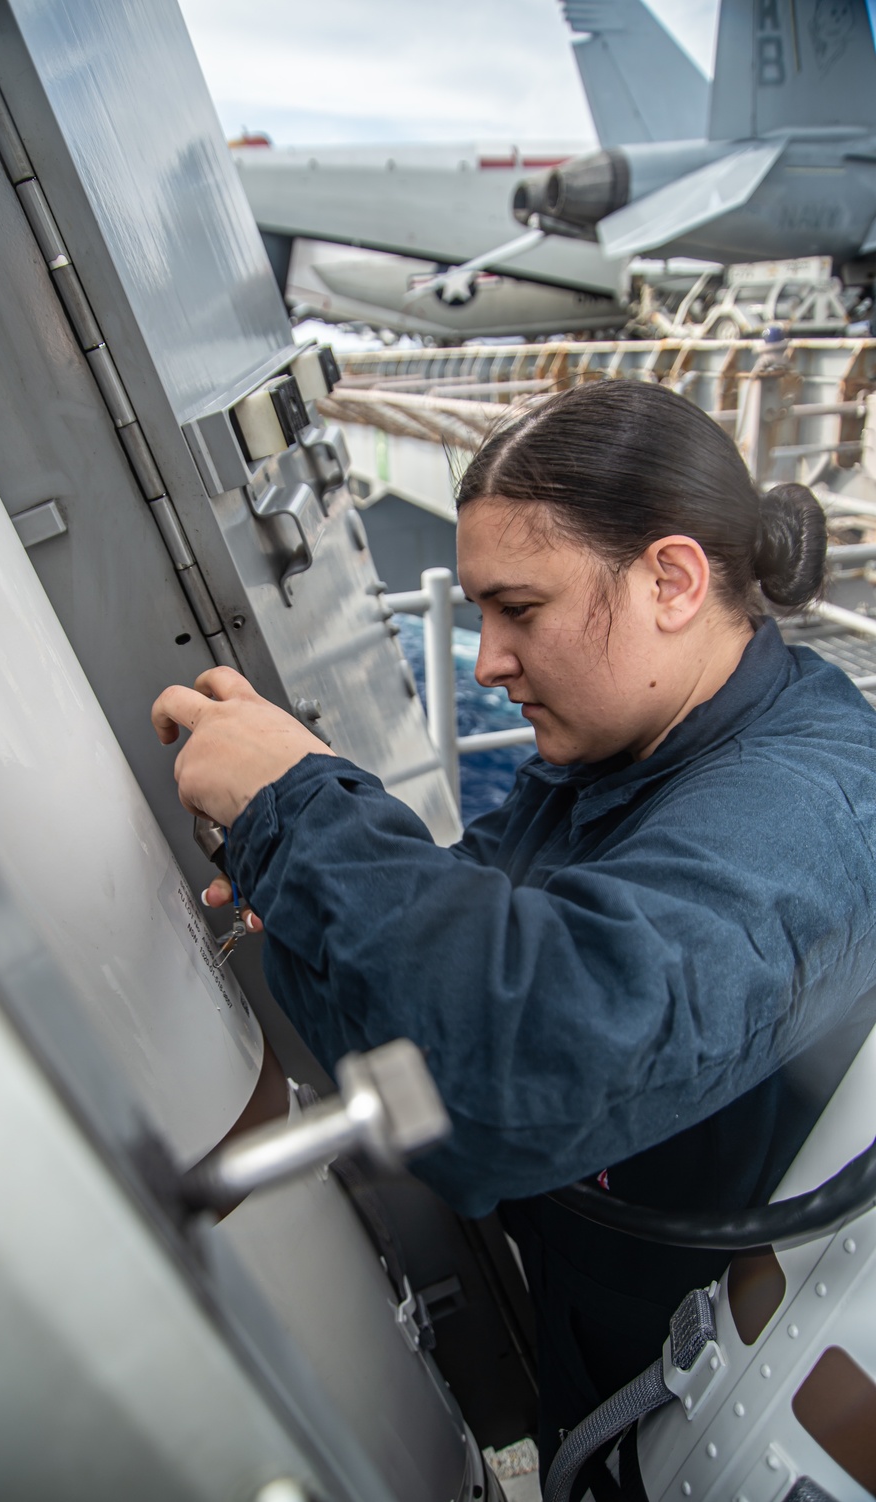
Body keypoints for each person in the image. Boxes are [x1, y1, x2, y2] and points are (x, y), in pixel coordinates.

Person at [151, 380, 876, 1466]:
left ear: (671, 580)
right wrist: (299, 854)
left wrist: (299, 808)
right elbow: (421, 1024)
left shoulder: (810, 806)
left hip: (698, 1414)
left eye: (520, 609)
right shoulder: (611, 752)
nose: (486, 657)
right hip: (606, 1375)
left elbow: (515, 1065)